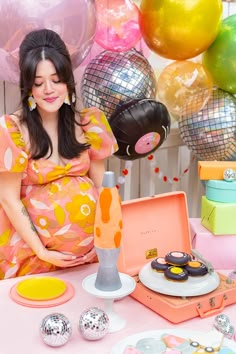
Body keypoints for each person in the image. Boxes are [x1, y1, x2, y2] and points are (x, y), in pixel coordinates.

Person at [0, 28, 118, 279]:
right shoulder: (11, 129)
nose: (49, 90)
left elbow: (104, 189)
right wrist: (43, 252)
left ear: (68, 80)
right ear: (28, 87)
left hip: (93, 255)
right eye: (39, 83)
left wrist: (106, 240)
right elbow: (8, 199)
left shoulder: (89, 123)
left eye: (56, 80)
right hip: (34, 256)